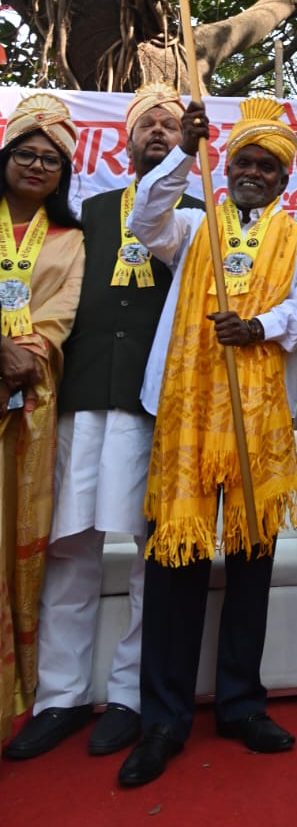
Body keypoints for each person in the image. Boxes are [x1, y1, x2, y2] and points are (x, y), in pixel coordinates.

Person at [116, 96, 297, 788]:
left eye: (267, 164)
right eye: (245, 161)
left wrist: (257, 326)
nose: (254, 171)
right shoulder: (194, 221)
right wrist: (181, 153)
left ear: (283, 177)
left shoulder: (296, 236)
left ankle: (240, 704)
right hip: (188, 417)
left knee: (251, 566)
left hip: (258, 420)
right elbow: (142, 222)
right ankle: (163, 719)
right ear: (225, 166)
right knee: (176, 565)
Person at [5, 83, 202, 762]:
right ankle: (59, 698)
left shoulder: (201, 215)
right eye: (146, 119)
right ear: (123, 136)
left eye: (170, 122)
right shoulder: (85, 211)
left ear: (187, 138)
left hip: (154, 408)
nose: (156, 127)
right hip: (79, 396)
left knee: (151, 557)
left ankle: (127, 696)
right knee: (69, 551)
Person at [0, 93, 84, 747]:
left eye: (50, 160)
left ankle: (15, 691)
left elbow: (60, 315)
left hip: (25, 410)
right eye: (27, 153)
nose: (37, 165)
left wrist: (17, 356)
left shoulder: (71, 240)